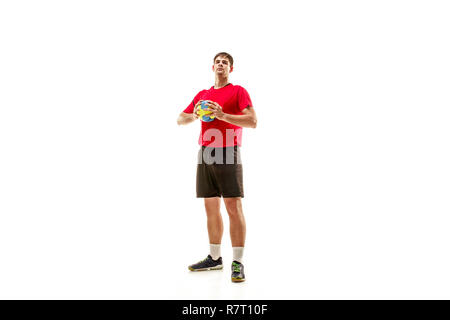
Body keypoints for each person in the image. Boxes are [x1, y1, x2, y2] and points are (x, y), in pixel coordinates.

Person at [177, 52, 257, 282]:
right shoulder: (203, 95)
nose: (221, 64)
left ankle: (238, 262)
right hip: (206, 151)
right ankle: (215, 258)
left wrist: (222, 115)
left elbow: (252, 121)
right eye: (218, 61)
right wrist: (195, 114)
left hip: (228, 149)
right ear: (212, 66)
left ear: (231, 68)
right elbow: (180, 119)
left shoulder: (238, 91)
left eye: (226, 62)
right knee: (210, 206)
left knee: (233, 205)